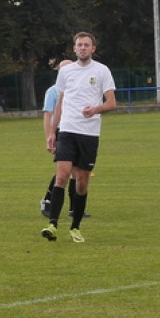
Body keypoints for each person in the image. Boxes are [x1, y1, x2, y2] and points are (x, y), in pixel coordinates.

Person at [42, 32, 116, 243]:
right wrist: (52, 132)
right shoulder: (66, 72)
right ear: (74, 48)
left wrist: (95, 109)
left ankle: (75, 227)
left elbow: (112, 103)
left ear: (93, 48)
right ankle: (52, 225)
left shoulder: (102, 71)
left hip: (89, 134)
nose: (82, 48)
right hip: (67, 130)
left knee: (81, 184)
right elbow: (60, 103)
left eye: (86, 45)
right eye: (79, 45)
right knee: (62, 176)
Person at [40, 60, 87, 220]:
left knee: (76, 170)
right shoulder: (53, 91)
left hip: (76, 131)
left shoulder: (77, 90)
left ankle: (74, 208)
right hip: (60, 132)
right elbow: (48, 115)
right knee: (67, 170)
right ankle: (48, 201)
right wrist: (49, 136)